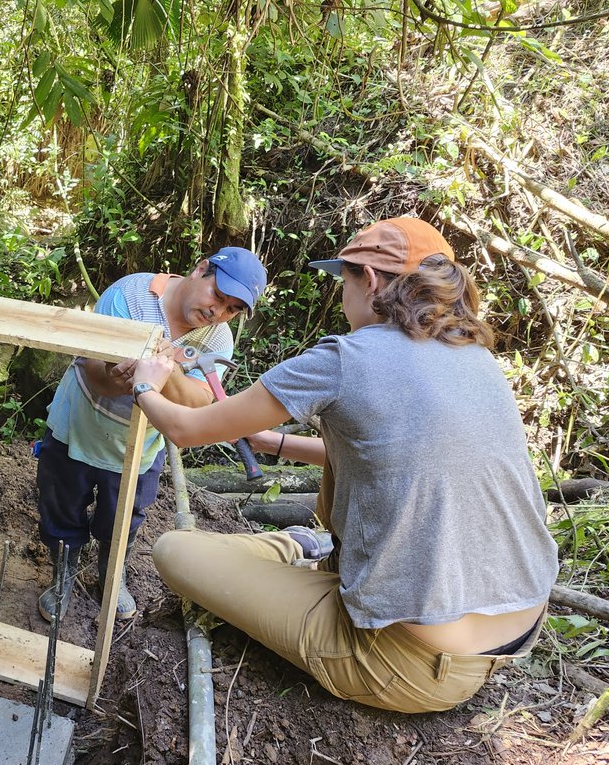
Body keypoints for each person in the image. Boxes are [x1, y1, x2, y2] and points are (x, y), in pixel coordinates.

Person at [130, 217, 559, 713]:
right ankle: (312, 548)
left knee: (175, 551)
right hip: (518, 626)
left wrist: (145, 383)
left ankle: (297, 543)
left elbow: (182, 430)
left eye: (344, 281)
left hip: (409, 664)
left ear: (371, 280)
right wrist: (269, 441)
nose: (344, 297)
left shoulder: (346, 357)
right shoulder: (474, 356)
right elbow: (384, 456)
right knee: (344, 443)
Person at [35, 248, 268, 622]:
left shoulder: (218, 339)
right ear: (201, 269)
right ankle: (63, 574)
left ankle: (112, 575)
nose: (218, 311)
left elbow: (197, 401)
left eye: (232, 309)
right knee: (61, 508)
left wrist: (164, 369)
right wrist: (118, 377)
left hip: (140, 447)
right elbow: (95, 376)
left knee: (123, 518)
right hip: (77, 428)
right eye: (217, 295)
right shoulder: (130, 295)